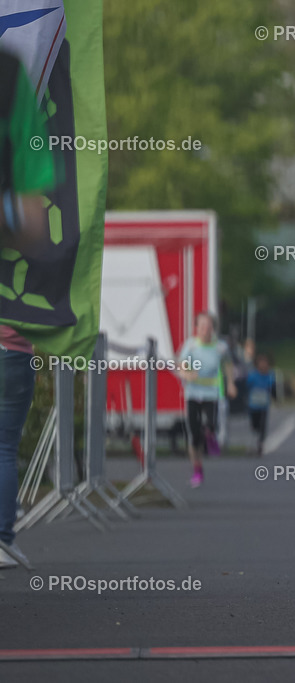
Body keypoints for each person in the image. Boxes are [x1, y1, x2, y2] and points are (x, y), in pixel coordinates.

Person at [0, 51, 58, 568]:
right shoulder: (10, 74)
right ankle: (0, 538)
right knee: (2, 444)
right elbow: (36, 225)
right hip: (8, 335)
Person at [177, 312, 237, 487]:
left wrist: (231, 384)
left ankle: (211, 436)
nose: (205, 330)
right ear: (197, 328)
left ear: (213, 329)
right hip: (193, 394)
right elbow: (180, 367)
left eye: (208, 327)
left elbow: (228, 365)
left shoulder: (220, 347)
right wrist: (187, 374)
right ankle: (197, 468)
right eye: (202, 326)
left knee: (210, 424)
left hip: (211, 393)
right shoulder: (191, 346)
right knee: (194, 435)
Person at [246, 353, 277, 456]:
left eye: (265, 363)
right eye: (261, 363)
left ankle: (260, 443)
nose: (263, 365)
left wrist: (275, 397)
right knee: (255, 424)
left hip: (264, 405)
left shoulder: (270, 375)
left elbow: (273, 388)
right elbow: (247, 386)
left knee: (263, 425)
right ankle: (256, 434)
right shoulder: (253, 375)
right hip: (253, 405)